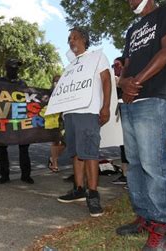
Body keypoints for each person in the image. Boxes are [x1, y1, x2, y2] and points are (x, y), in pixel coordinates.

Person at [116, 0, 166, 250]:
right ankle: (144, 216)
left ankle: (163, 227)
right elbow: (127, 64)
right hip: (130, 101)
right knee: (134, 164)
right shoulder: (132, 30)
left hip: (154, 97)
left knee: (153, 163)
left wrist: (137, 82)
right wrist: (124, 84)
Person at [56, 27, 112, 218]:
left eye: (75, 38)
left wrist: (105, 107)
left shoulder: (96, 57)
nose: (71, 41)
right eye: (69, 39)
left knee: (90, 153)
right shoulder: (70, 66)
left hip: (88, 111)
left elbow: (106, 81)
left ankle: (93, 194)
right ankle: (78, 189)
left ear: (84, 40)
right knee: (76, 152)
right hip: (70, 114)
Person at [110, 57, 129, 187]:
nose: (115, 68)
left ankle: (133, 176)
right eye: (113, 66)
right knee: (123, 146)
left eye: (117, 65)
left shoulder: (129, 79)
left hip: (129, 116)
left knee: (131, 146)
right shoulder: (113, 83)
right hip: (119, 117)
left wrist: (121, 83)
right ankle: (125, 175)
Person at [47, 75, 65, 173]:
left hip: (64, 118)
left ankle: (52, 158)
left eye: (59, 81)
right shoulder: (49, 93)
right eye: (55, 81)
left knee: (66, 142)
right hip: (54, 119)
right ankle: (54, 163)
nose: (57, 83)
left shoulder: (67, 90)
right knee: (56, 141)